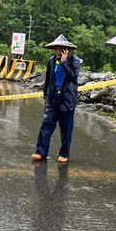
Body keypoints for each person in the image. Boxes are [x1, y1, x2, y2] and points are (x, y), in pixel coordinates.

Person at [31, 34, 81, 164]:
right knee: (46, 125)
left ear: (66, 49)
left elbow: (73, 78)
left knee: (66, 129)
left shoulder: (75, 61)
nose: (57, 51)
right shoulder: (52, 61)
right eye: (56, 49)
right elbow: (47, 80)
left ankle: (64, 153)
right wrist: (45, 96)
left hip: (67, 100)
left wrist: (64, 63)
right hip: (53, 99)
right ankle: (41, 152)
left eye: (60, 49)